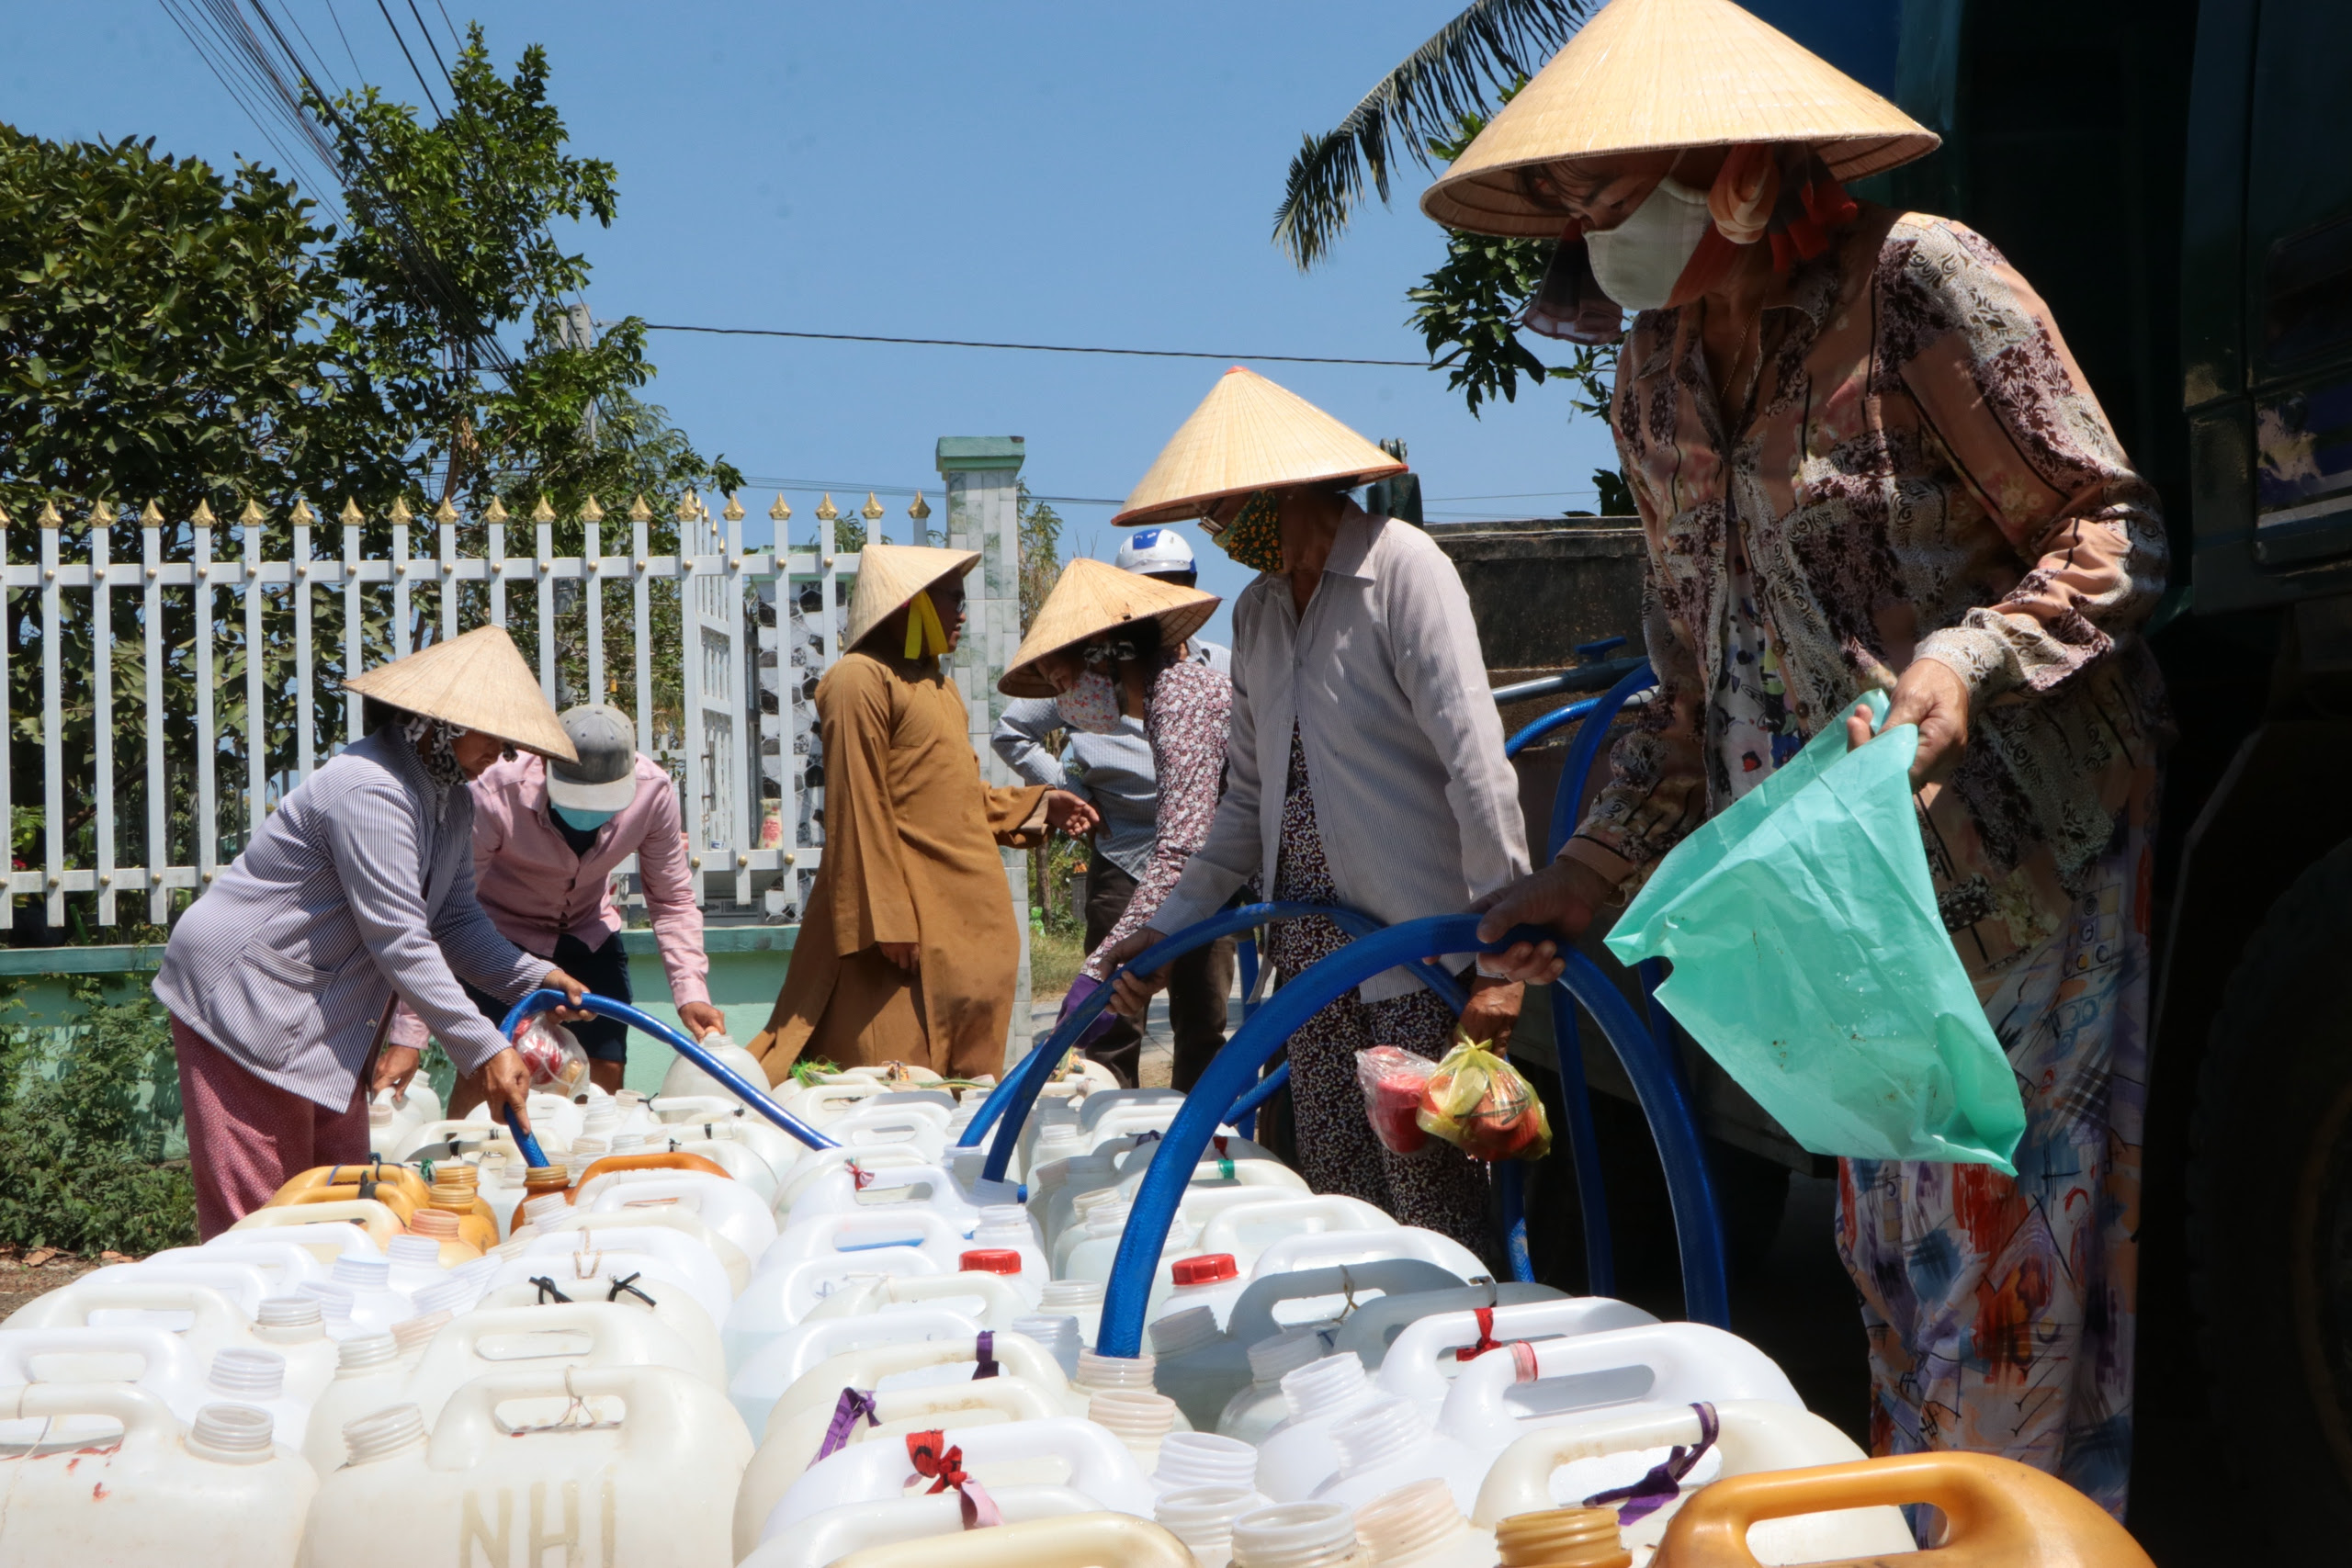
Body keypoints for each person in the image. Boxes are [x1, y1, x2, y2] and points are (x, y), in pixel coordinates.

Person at [1449, 0, 2168, 1520]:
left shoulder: (1918, 288)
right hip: (1828, 921)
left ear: (1740, 167)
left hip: (2010, 881)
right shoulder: (1651, 383)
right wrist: (1583, 872)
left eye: (1616, 182)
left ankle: (2004, 1539)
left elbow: (2108, 528)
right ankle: (1952, 1535)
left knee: (2002, 1299)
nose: (1593, 221)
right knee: (1896, 1285)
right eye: (1572, 196)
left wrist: (1965, 663)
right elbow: (1686, 688)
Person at [1100, 367, 1532, 1258]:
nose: (1221, 532)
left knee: (1432, 1201)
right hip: (1306, 959)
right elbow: (1245, 802)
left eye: (1223, 509)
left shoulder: (1403, 573)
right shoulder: (1260, 615)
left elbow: (1475, 765)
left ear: (1278, 489)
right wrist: (1172, 924)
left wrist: (1497, 961)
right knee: (1339, 1196)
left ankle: (1460, 1350)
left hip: (1415, 957)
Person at [153, 626, 591, 1236]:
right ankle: (258, 1321)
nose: (505, 755)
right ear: (438, 724)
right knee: (261, 1216)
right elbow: (401, 938)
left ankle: (325, 1316)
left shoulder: (451, 801)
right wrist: (486, 1047)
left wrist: (535, 975)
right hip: (248, 998)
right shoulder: (370, 789)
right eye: (494, 736)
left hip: (324, 1015)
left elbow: (455, 920)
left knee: (341, 1199)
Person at [747, 543, 1099, 1080]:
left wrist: (1037, 806)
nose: (962, 612)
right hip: (904, 937)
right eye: (951, 599)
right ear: (911, 605)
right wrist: (889, 920)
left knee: (962, 1098)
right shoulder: (858, 679)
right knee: (890, 1093)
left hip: (965, 934)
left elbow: (954, 798)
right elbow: (857, 806)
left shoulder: (941, 689)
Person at [384, 702, 724, 1111]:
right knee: (490, 1070)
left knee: (603, 1075)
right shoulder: (495, 793)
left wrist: (691, 993)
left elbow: (671, 899)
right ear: (546, 765)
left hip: (588, 931)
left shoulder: (653, 793)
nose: (589, 812)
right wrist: (409, 1033)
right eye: (578, 796)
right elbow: (440, 912)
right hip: (499, 942)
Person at [991, 527, 1235, 1089]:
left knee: (1202, 1015)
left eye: (1064, 677)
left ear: (1107, 655)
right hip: (1135, 855)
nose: (1062, 692)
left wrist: (1098, 971)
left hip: (1230, 870)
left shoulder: (1181, 695)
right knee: (1117, 1030)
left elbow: (1181, 848)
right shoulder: (1163, 695)